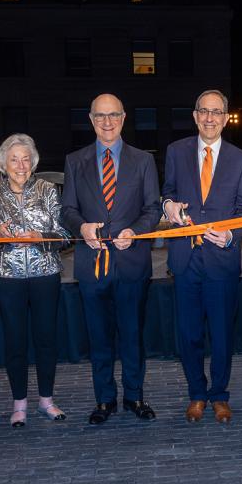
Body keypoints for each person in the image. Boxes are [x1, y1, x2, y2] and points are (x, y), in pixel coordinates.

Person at [61, 93, 161, 425]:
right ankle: (104, 399)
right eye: (100, 116)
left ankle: (134, 396)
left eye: (113, 115)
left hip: (131, 261)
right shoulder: (75, 161)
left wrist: (134, 231)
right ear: (90, 120)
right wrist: (82, 227)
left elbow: (152, 209)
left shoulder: (143, 160)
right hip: (91, 264)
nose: (107, 122)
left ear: (123, 118)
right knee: (99, 336)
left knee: (132, 335)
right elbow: (68, 210)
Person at [163, 89, 242, 423]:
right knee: (188, 334)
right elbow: (168, 193)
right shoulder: (175, 151)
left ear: (226, 117)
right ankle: (196, 394)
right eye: (203, 111)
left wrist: (231, 235)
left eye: (216, 112)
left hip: (221, 260)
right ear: (195, 115)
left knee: (221, 334)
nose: (209, 118)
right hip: (185, 260)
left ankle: (219, 395)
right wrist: (168, 206)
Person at [0, 134, 70, 427]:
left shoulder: (47, 189)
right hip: (8, 277)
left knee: (46, 340)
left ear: (34, 162)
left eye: (26, 158)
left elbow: (65, 236)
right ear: (3, 163)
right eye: (14, 159)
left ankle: (47, 400)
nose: (21, 165)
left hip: (46, 275)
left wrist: (41, 237)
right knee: (15, 342)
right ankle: (19, 403)